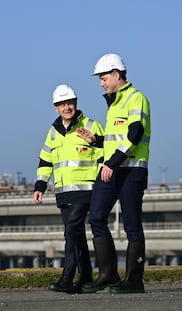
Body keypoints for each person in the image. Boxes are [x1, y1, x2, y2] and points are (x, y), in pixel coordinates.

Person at [77, 53, 151, 294]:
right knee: (96, 217)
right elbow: (114, 140)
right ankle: (108, 274)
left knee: (132, 224)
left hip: (131, 171)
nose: (101, 83)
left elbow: (135, 134)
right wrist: (96, 140)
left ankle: (134, 280)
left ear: (116, 75)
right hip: (111, 169)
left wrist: (112, 163)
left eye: (103, 77)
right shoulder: (114, 104)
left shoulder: (136, 98)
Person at [33, 84, 104, 294]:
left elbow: (104, 154)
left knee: (71, 230)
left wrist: (101, 184)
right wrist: (40, 185)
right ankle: (85, 277)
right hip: (63, 192)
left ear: (76, 103)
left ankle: (67, 278)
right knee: (74, 234)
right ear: (56, 107)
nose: (67, 107)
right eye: (62, 104)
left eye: (70, 103)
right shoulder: (52, 133)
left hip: (87, 190)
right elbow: (45, 161)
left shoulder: (91, 125)